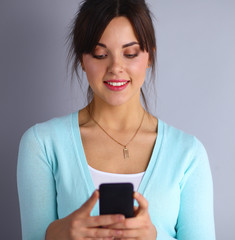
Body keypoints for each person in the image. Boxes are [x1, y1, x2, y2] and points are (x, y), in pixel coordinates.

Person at [17, 0, 215, 239]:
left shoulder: (188, 153)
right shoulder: (42, 144)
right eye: (100, 55)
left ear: (149, 56)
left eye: (130, 53)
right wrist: (58, 234)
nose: (116, 67)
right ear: (82, 59)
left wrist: (154, 236)